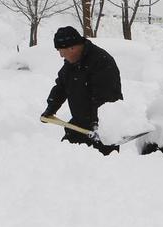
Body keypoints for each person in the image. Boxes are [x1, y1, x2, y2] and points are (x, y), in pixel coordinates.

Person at [41, 26, 123, 155]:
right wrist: (51, 108)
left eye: (61, 51)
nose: (61, 55)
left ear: (72, 48)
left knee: (102, 163)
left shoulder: (101, 61)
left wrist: (95, 125)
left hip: (102, 129)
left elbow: (106, 98)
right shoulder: (71, 63)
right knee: (64, 157)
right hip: (79, 124)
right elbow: (61, 86)